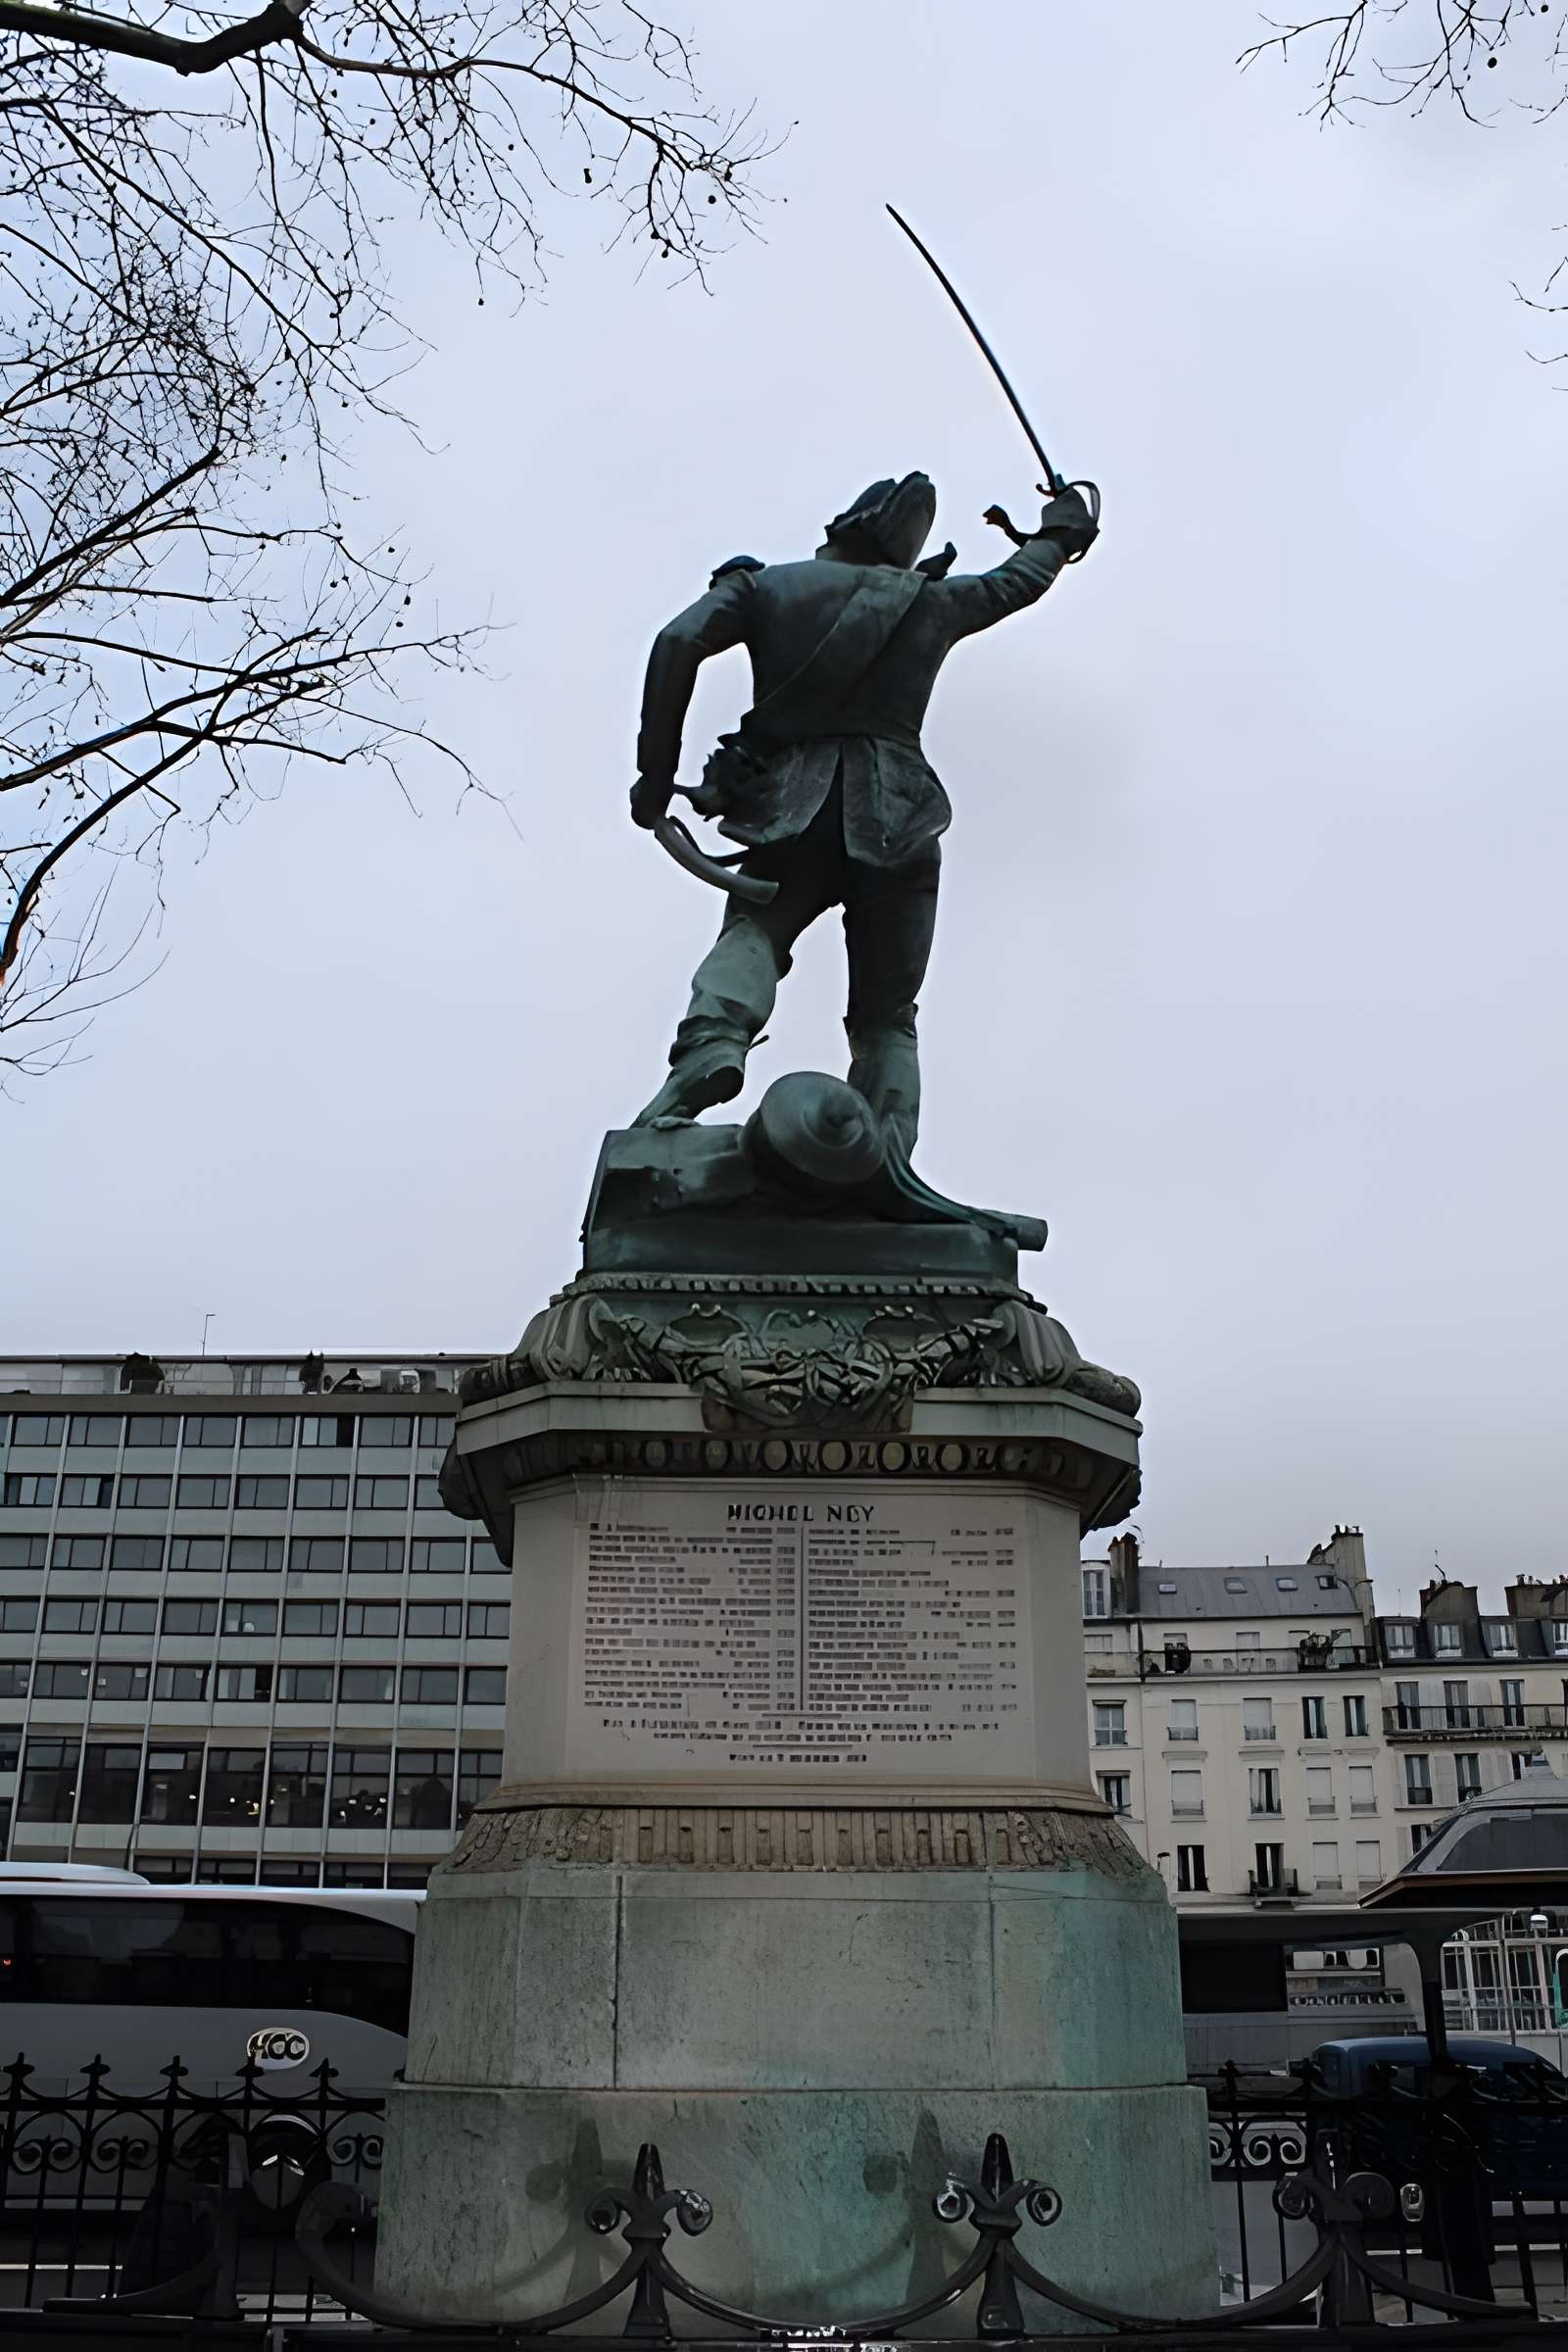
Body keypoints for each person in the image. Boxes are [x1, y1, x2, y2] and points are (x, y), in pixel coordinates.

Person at [629, 471, 1099, 1149]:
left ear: (846, 523)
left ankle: (713, 1046)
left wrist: (655, 774)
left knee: (756, 933)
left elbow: (677, 643)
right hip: (900, 815)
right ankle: (885, 1146)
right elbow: (1018, 580)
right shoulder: (932, 603)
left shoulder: (763, 587)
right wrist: (1060, 528)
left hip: (793, 810)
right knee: (886, 1014)